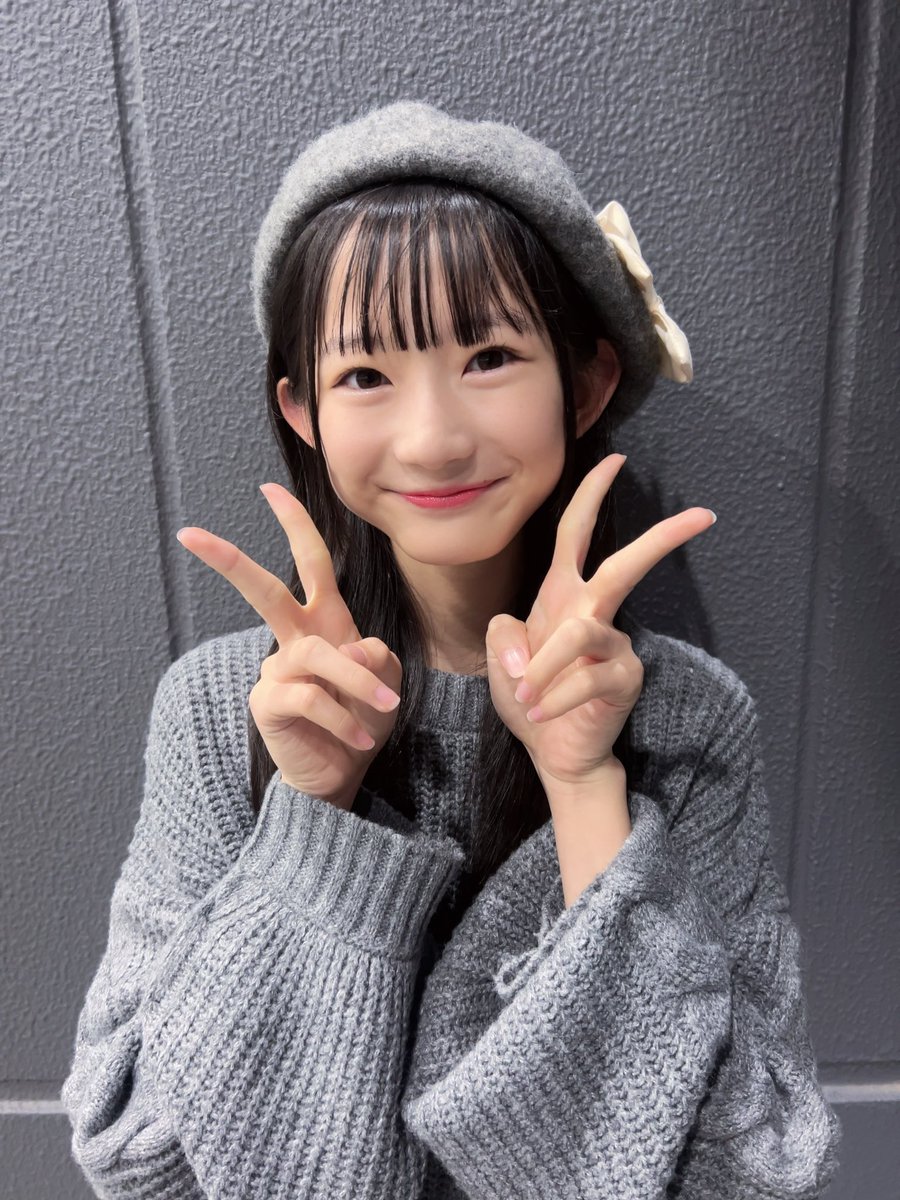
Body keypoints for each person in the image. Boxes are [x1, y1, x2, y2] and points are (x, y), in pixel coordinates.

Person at [61, 100, 842, 1198]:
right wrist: (312, 815)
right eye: (365, 375)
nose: (432, 439)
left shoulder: (687, 717)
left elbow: (758, 1170)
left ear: (585, 386)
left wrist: (587, 794)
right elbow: (139, 1159)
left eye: (489, 356)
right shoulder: (223, 707)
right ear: (302, 411)